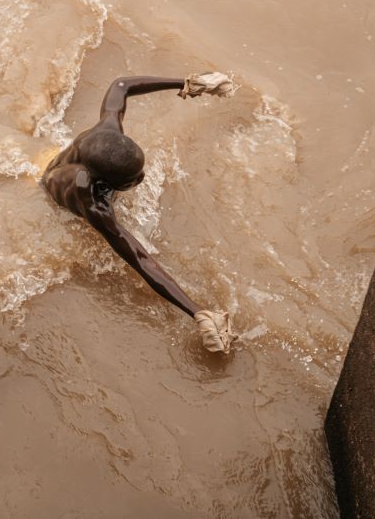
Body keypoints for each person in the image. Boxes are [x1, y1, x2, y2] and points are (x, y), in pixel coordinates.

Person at [41, 74, 237, 353]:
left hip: (55, 165)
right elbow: (140, 259)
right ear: (107, 186)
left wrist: (186, 83)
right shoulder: (96, 207)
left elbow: (121, 85)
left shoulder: (106, 129)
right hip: (53, 192)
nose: (142, 179)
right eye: (134, 179)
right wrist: (197, 311)